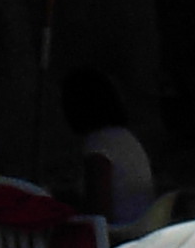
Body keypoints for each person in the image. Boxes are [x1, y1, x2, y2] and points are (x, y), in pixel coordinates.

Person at [64, 67, 156, 230]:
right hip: (143, 227)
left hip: (119, 234)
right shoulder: (125, 137)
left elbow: (98, 214)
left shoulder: (98, 145)